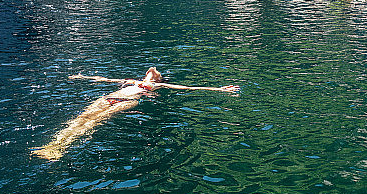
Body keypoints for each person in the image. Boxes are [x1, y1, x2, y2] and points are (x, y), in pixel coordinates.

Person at [33, 67, 239, 160]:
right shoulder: (132, 81)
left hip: (126, 102)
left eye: (152, 77)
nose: (148, 78)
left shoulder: (159, 87)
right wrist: (82, 76)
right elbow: (105, 79)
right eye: (148, 74)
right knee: (79, 119)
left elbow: (187, 88)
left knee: (92, 123)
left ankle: (61, 149)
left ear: (157, 81)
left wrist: (218, 90)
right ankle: (51, 146)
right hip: (109, 97)